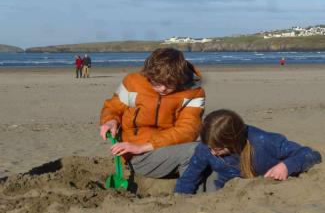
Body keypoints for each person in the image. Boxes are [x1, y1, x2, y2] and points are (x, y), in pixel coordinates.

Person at [99, 48, 205, 179]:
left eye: (170, 83)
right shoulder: (132, 82)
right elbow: (113, 107)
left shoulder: (194, 92)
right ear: (148, 75)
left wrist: (145, 146)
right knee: (196, 152)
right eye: (156, 83)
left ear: (181, 77)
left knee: (215, 150)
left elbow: (188, 130)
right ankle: (185, 196)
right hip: (135, 155)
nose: (163, 88)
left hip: (167, 149)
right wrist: (110, 120)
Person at [175, 109, 321, 194]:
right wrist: (179, 197)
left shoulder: (264, 141)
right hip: (225, 187)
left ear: (234, 140)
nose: (212, 152)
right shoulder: (205, 148)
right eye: (210, 147)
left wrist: (286, 166)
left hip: (266, 188)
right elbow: (189, 178)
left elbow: (311, 154)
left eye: (218, 149)